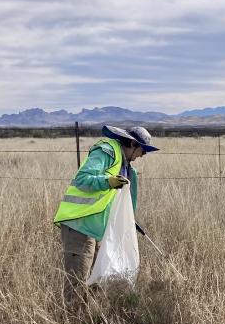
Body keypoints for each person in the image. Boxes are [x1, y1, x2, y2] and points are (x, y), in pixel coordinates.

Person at [53, 125, 159, 308]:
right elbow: (82, 179)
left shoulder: (126, 168)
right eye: (143, 150)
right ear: (133, 144)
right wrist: (107, 182)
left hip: (98, 230)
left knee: (96, 281)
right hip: (80, 225)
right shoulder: (107, 152)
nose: (143, 155)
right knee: (76, 285)